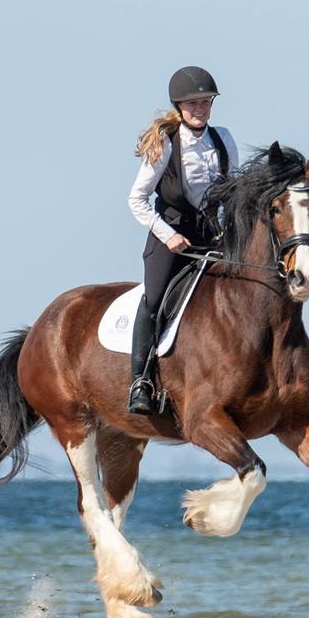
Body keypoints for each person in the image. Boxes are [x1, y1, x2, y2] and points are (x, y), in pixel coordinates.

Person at [126, 66, 239, 414]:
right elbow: (137, 199)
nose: (201, 108)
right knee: (155, 299)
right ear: (179, 105)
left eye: (206, 102)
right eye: (193, 103)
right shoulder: (165, 144)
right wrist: (169, 235)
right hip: (170, 236)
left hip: (211, 234)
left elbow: (234, 191)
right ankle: (140, 382)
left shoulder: (223, 139)